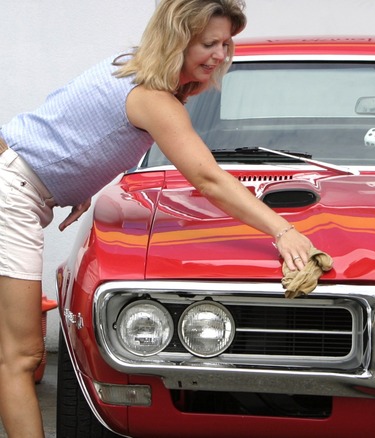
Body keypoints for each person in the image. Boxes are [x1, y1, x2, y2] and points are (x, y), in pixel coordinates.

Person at [0, 1, 313, 435]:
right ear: (177, 38)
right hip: (11, 194)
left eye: (226, 43)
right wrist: (283, 230)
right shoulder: (151, 98)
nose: (221, 55)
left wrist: (76, 184)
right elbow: (207, 178)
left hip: (19, 186)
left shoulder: (125, 67)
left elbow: (74, 123)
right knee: (22, 356)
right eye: (209, 43)